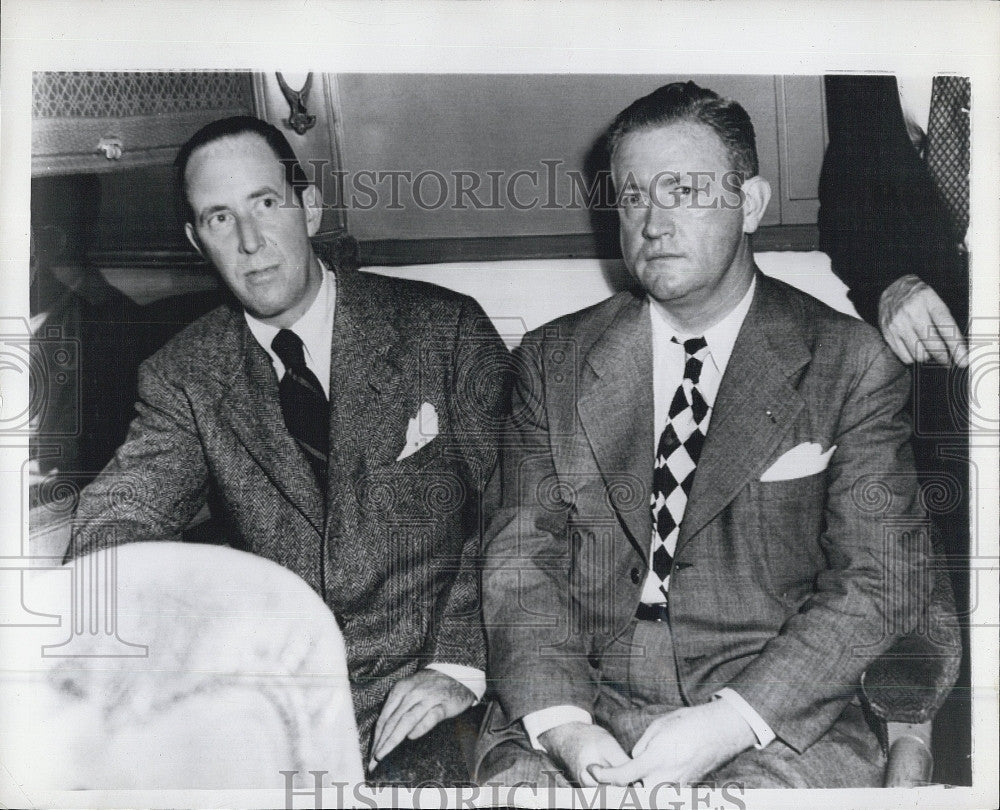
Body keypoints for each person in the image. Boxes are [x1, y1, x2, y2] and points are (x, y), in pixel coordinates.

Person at [476, 81, 953, 788]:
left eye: (685, 191)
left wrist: (732, 720)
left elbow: (879, 582)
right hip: (581, 703)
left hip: (776, 716)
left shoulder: (849, 363)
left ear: (751, 203)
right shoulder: (552, 362)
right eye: (633, 196)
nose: (653, 223)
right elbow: (520, 566)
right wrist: (565, 725)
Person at [68, 116, 509, 778]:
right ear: (197, 240)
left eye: (265, 203)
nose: (250, 242)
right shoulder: (185, 374)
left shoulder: (443, 329)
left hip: (444, 688)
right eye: (220, 219)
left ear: (308, 206)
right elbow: (120, 516)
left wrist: (460, 663)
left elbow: (525, 507)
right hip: (281, 704)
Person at [818, 74, 971, 784]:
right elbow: (846, 196)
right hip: (937, 354)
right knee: (952, 562)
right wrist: (888, 280)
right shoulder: (857, 55)